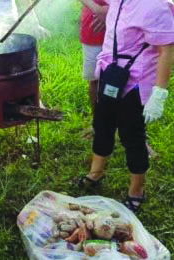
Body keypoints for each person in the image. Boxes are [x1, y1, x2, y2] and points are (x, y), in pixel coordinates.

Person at [77, 0, 174, 213]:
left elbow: (166, 51)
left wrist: (159, 94)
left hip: (137, 80)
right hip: (110, 71)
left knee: (132, 136)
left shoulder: (155, 6)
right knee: (102, 125)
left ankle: (136, 192)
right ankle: (96, 173)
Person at [79, 0, 108, 111]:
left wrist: (111, 12)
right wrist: (97, 9)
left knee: (124, 76)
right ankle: (97, 123)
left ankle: (122, 122)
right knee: (95, 79)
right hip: (94, 28)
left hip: (125, 24)